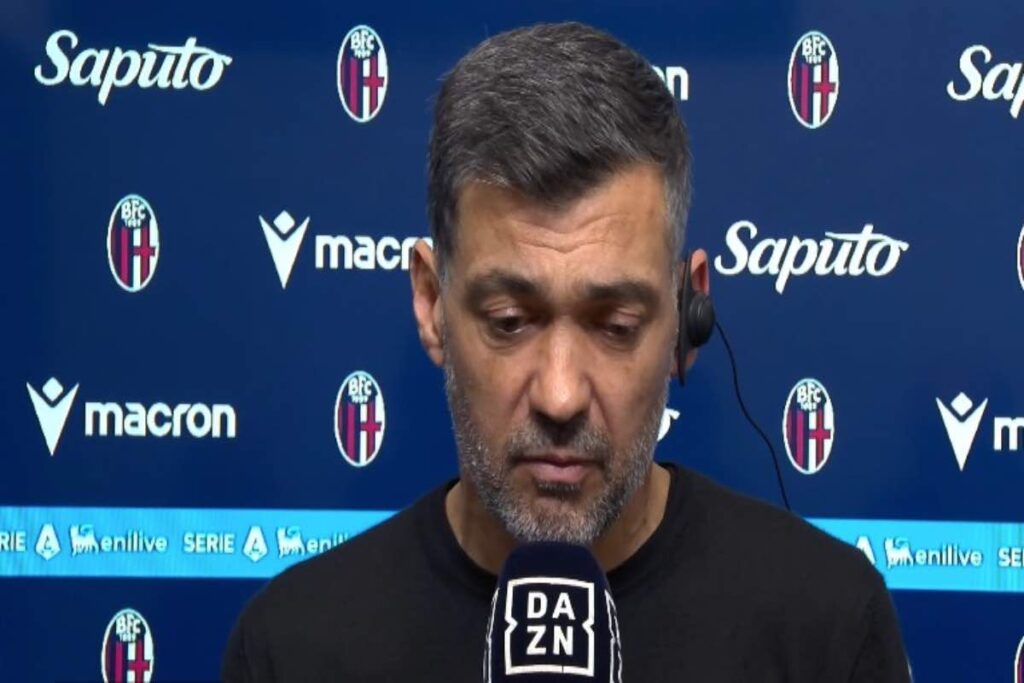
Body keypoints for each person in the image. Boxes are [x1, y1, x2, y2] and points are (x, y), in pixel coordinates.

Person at [222, 21, 911, 682]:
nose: (559, 395)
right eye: (510, 321)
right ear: (432, 305)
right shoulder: (293, 649)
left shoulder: (828, 631)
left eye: (614, 325)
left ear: (686, 318)